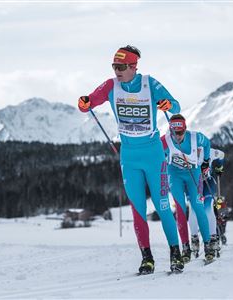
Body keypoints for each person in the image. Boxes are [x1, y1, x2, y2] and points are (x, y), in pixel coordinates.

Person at [78, 45, 184, 274]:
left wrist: (167, 105)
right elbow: (91, 100)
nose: (117, 71)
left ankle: (176, 254)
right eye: (114, 66)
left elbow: (175, 106)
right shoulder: (111, 85)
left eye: (122, 67)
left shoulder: (149, 83)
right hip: (129, 155)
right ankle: (147, 258)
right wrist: (84, 102)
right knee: (137, 209)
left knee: (163, 206)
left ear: (134, 67)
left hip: (154, 154)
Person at [160, 114, 215, 263]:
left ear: (185, 129)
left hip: (193, 174)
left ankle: (208, 246)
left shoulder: (196, 137)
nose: (177, 136)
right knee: (180, 209)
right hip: (175, 175)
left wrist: (205, 162)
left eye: (180, 133)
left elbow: (207, 144)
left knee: (198, 207)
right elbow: (154, 153)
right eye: (174, 133)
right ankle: (185, 248)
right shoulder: (165, 140)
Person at [189, 148, 225, 256]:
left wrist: (219, 166)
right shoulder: (188, 150)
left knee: (208, 207)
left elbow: (221, 155)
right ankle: (194, 238)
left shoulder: (210, 151)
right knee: (194, 209)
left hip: (207, 182)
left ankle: (213, 238)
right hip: (193, 183)